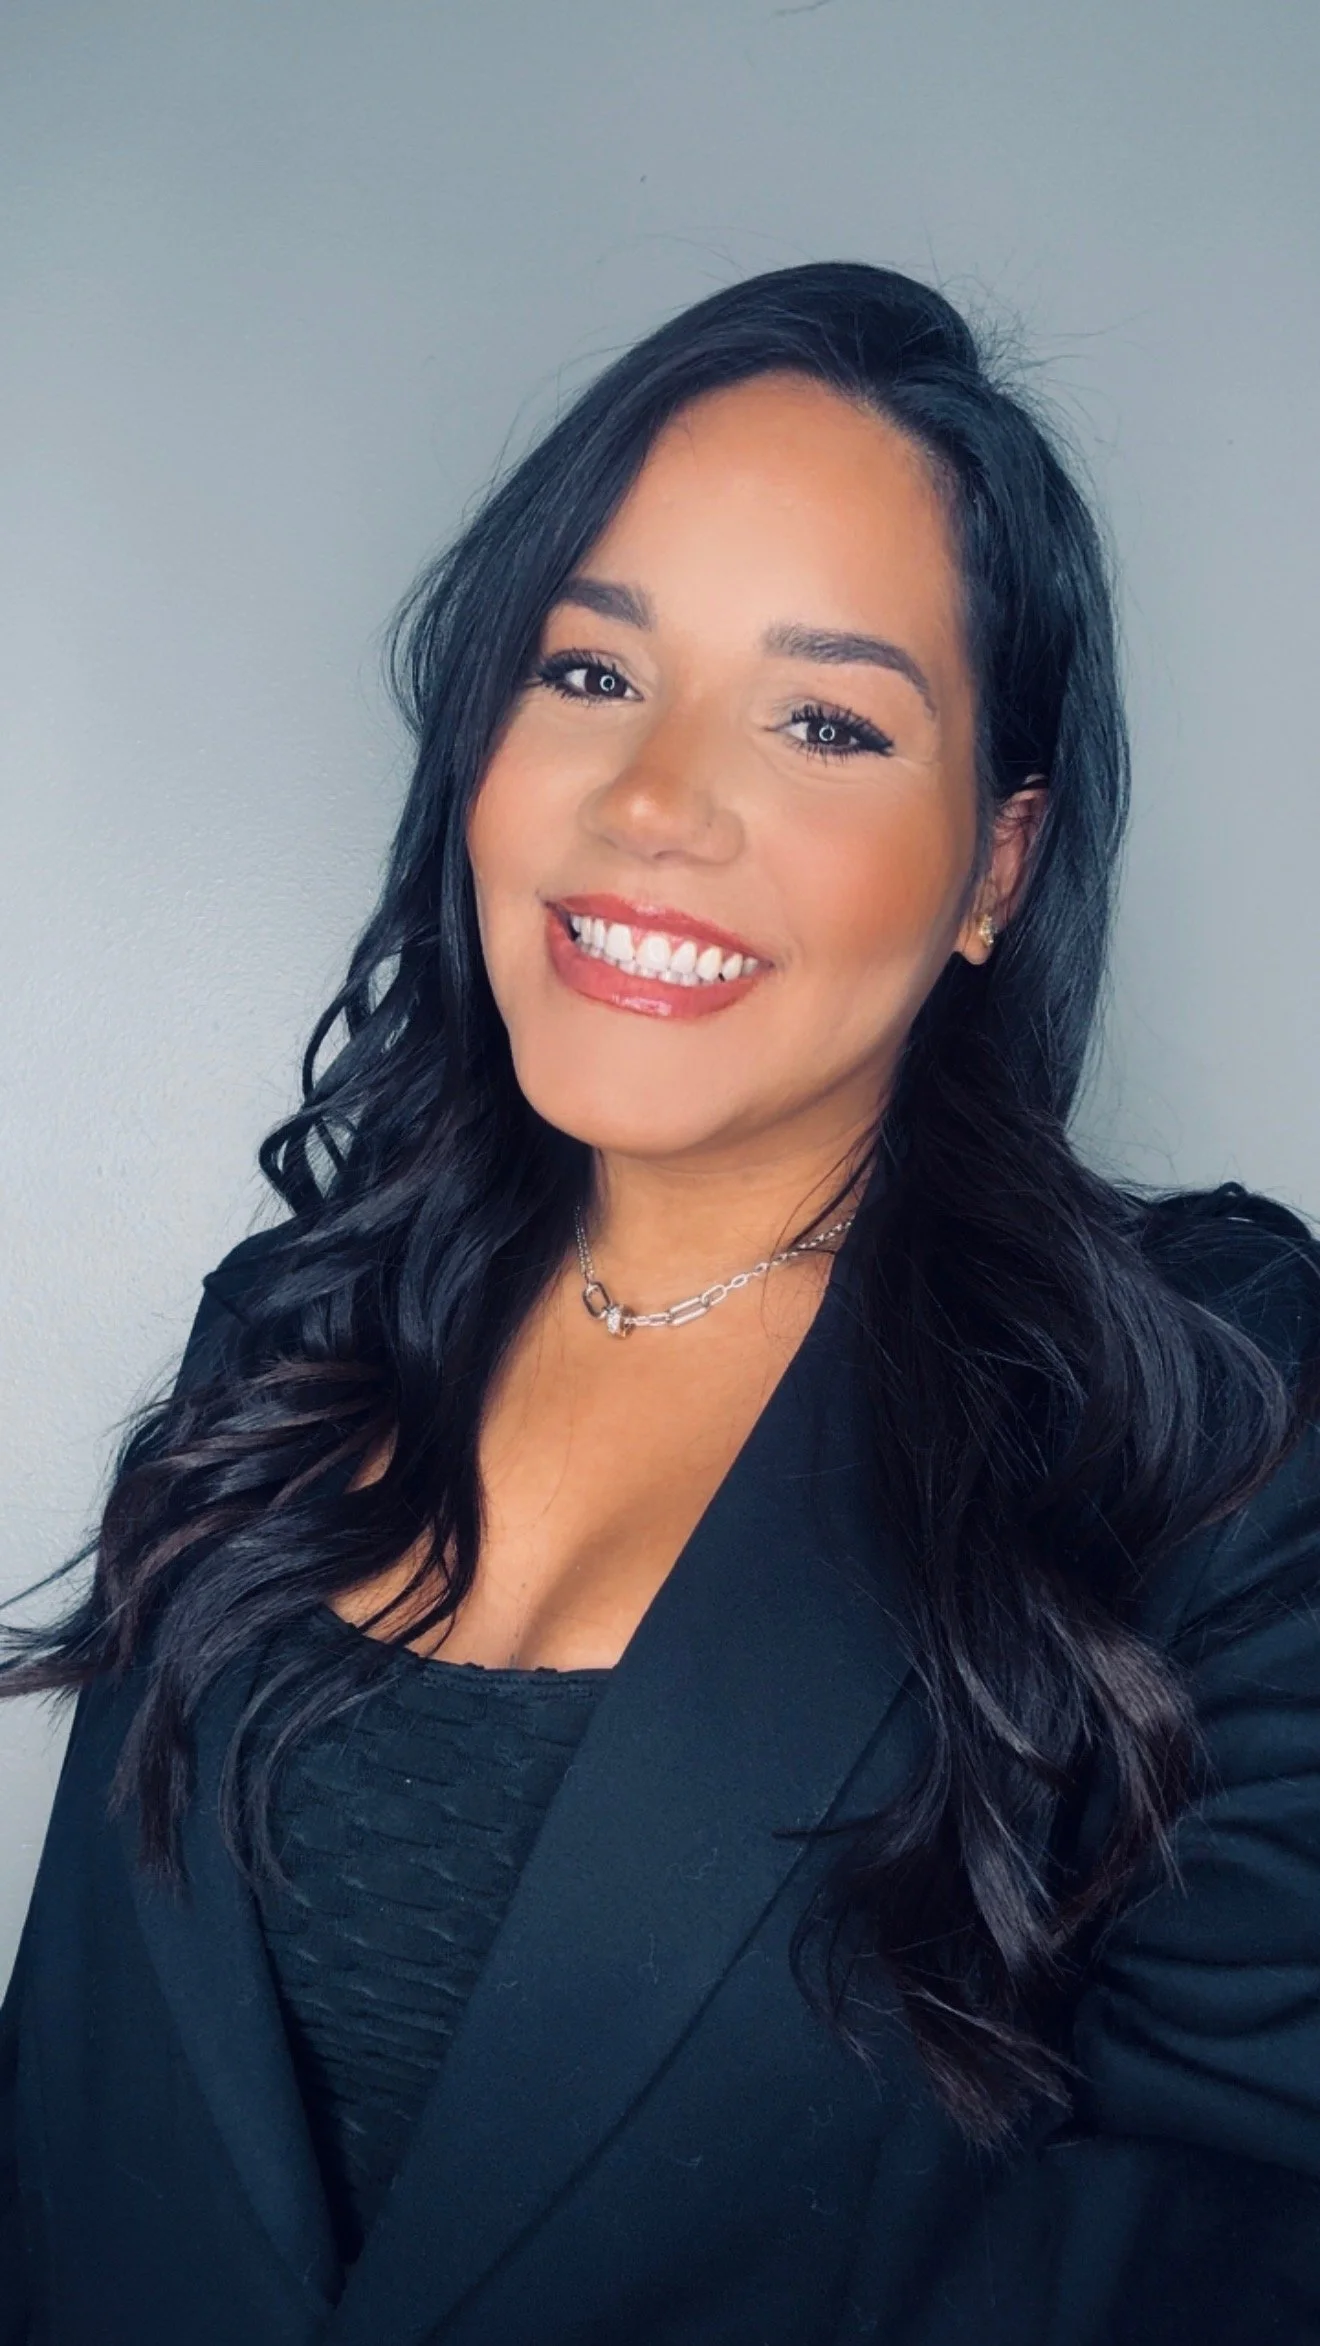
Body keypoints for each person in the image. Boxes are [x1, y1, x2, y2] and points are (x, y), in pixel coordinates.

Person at [2, 261, 1318, 2346]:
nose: (656, 805)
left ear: (996, 864)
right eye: (593, 674)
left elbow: (1248, 2250)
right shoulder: (293, 1338)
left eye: (825, 720)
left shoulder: (1208, 1408)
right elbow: (80, 2161)